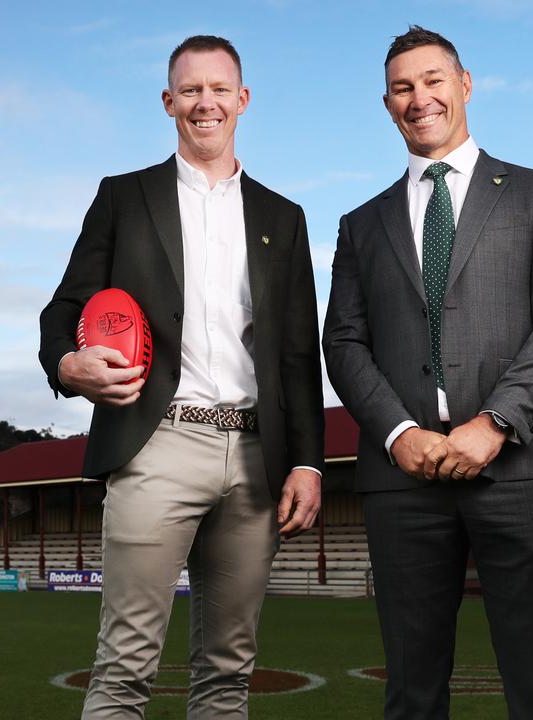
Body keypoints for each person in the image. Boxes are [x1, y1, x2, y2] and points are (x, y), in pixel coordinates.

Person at [39, 35, 325, 720]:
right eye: (191, 90)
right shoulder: (122, 197)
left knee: (228, 674)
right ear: (169, 102)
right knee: (124, 669)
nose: (206, 102)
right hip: (156, 443)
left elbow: (296, 354)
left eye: (220, 89)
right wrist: (68, 364)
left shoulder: (283, 219)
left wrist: (309, 461)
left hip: (256, 457)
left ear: (243, 100)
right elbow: (64, 309)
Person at [322, 25, 533, 720]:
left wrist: (496, 421)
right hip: (401, 476)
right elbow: (344, 342)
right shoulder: (360, 224)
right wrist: (398, 431)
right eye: (403, 88)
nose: (421, 98)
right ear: (387, 105)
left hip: (518, 468)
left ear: (464, 84)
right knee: (411, 691)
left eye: (433, 80)